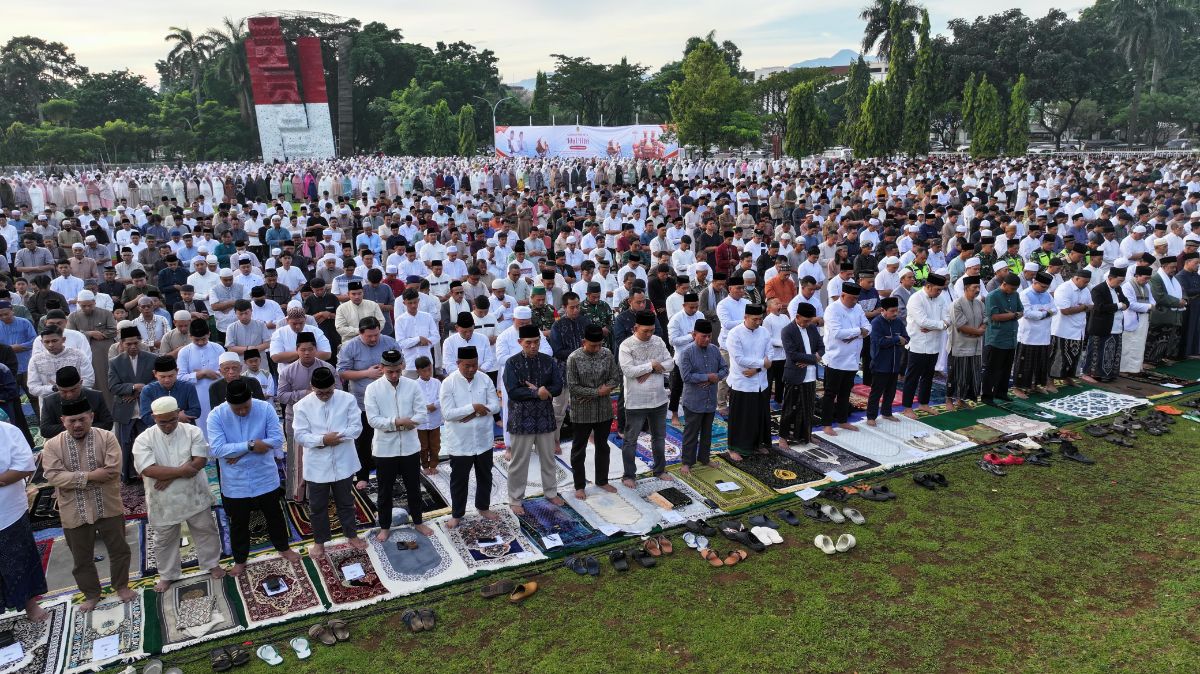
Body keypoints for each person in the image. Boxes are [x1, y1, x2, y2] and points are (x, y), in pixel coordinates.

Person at [40, 397, 135, 611]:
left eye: (82, 419)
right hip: (73, 510)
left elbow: (112, 471)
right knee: (81, 558)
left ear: (91, 417)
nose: (77, 425)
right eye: (71, 421)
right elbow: (54, 477)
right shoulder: (52, 445)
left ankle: (121, 586)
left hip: (108, 505)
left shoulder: (107, 437)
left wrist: (73, 479)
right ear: (63, 420)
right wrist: (92, 476)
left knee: (119, 550)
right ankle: (92, 594)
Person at [132, 396, 224, 592]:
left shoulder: (193, 431)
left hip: (194, 495)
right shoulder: (144, 439)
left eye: (172, 420)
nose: (167, 425)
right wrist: (182, 471)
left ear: (178, 413)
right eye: (162, 421)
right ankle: (168, 574)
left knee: (205, 531)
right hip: (163, 501)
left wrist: (168, 476)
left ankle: (211, 564)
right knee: (164, 539)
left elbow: (199, 460)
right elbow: (148, 470)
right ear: (154, 417)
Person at [207, 380, 296, 576]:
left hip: (264, 475)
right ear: (228, 403)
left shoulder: (264, 408)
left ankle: (284, 548)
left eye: (245, 407)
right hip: (235, 481)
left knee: (275, 515)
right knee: (238, 522)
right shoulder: (216, 415)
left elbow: (276, 440)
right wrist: (251, 445)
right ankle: (240, 560)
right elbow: (217, 449)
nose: (242, 412)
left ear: (251, 400)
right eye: (236, 409)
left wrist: (237, 452)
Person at [293, 366, 367, 557]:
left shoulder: (347, 399)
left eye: (328, 392)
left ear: (335, 385)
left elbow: (356, 429)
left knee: (346, 502)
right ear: (312, 387)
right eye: (320, 393)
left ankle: (351, 535)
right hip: (317, 465)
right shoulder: (301, 406)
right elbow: (300, 436)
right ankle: (320, 542)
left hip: (343, 461)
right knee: (317, 506)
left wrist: (336, 438)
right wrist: (323, 440)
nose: (325, 396)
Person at [363, 349, 431, 537]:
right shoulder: (373, 389)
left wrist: (403, 423)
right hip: (385, 449)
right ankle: (385, 527)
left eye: (397, 371)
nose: (394, 375)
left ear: (402, 366)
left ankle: (418, 521)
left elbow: (421, 415)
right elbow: (373, 420)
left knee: (414, 487)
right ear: (382, 367)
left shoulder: (412, 386)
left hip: (410, 446)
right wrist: (397, 422)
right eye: (389, 371)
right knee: (385, 490)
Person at [503, 324, 566, 514]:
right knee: (519, 462)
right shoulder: (512, 363)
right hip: (521, 419)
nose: (533, 346)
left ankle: (551, 492)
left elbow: (558, 385)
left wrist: (545, 391)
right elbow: (513, 391)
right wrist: (538, 391)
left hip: (545, 418)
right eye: (528, 343)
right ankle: (515, 499)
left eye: (536, 342)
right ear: (519, 342)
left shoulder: (548, 361)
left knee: (548, 458)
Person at [439, 345, 502, 528]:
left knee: (485, 475)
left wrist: (477, 412)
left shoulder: (484, 379)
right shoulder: (448, 383)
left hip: (483, 440)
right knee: (459, 479)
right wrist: (474, 408)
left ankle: (483, 507)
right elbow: (448, 414)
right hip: (460, 442)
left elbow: (496, 406)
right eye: (467, 365)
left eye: (474, 365)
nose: (472, 369)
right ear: (458, 363)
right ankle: (457, 513)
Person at [336, 316, 399, 488]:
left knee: (388, 436)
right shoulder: (351, 346)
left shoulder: (389, 342)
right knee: (363, 440)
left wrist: (387, 371)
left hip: (388, 400)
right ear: (360, 333)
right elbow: (341, 372)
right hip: (361, 401)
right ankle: (362, 475)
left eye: (376, 335)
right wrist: (366, 373)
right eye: (369, 336)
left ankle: (390, 472)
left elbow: (401, 364)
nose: (373, 339)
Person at [277, 332, 340, 502]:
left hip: (323, 419)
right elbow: (282, 396)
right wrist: (305, 394)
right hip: (296, 419)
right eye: (303, 350)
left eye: (310, 349)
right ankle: (296, 494)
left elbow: (339, 392)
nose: (306, 353)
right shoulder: (287, 371)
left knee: (324, 455)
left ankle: (326, 492)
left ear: (316, 349)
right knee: (296, 459)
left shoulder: (328, 368)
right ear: (297, 350)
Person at [564, 324, 620, 498]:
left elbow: (615, 377)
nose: (596, 349)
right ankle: (579, 485)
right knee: (579, 448)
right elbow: (573, 387)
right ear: (583, 342)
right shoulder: (574, 358)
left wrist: (598, 391)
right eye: (592, 345)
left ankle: (602, 480)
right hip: (582, 412)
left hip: (603, 410)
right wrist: (597, 392)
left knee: (603, 446)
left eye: (599, 345)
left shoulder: (607, 354)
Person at [618, 311, 674, 483]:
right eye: (645, 331)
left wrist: (647, 369)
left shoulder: (658, 341)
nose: (649, 334)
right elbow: (628, 371)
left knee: (659, 437)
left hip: (659, 398)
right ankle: (629, 475)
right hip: (636, 400)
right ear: (635, 328)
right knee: (630, 440)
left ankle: (659, 470)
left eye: (652, 330)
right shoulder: (626, 346)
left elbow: (670, 364)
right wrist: (652, 365)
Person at [0, 419, 48, 622]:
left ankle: (30, 604)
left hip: (8, 512)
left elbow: (25, 467)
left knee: (19, 559)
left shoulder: (7, 431)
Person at [676, 318, 727, 471]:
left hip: (710, 400)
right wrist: (707, 377)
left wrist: (714, 378)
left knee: (707, 432)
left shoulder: (714, 350)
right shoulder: (686, 353)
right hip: (693, 400)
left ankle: (704, 458)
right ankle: (687, 462)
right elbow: (686, 376)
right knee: (691, 433)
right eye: (703, 336)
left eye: (709, 336)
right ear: (694, 335)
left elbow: (725, 369)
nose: (707, 339)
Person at [725, 303, 772, 459]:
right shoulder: (734, 334)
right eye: (755, 319)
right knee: (741, 416)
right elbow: (740, 359)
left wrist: (759, 368)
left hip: (760, 381)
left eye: (760, 319)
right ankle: (734, 448)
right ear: (745, 318)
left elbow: (770, 355)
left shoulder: (764, 332)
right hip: (742, 382)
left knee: (759, 415)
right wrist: (761, 364)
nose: (758, 322)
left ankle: (756, 445)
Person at [821, 283, 870, 435]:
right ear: (842, 295)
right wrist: (857, 332)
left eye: (857, 298)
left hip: (853, 358)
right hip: (836, 358)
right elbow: (837, 333)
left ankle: (842, 421)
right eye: (852, 298)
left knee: (846, 392)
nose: (855, 301)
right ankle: (827, 424)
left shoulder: (858, 308)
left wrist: (856, 333)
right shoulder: (832, 309)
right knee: (830, 393)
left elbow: (868, 327)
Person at [109, 324, 156, 478]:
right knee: (126, 443)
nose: (133, 347)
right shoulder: (115, 362)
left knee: (148, 443)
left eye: (136, 343)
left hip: (146, 408)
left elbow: (157, 384)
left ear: (140, 341)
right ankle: (128, 474)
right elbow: (113, 386)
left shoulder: (152, 359)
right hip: (126, 408)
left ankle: (150, 472)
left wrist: (137, 394)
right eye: (128, 344)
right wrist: (134, 387)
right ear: (121, 343)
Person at [902, 273, 949, 416]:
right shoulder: (915, 299)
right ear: (928, 286)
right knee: (913, 377)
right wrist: (941, 325)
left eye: (941, 290)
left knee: (928, 376)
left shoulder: (940, 298)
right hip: (918, 344)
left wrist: (937, 325)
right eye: (937, 289)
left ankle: (923, 403)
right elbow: (922, 321)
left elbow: (948, 319)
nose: (940, 292)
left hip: (934, 344)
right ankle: (907, 407)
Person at [38, 365, 113, 443]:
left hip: (95, 441)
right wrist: (73, 427)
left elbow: (107, 423)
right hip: (62, 445)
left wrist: (81, 427)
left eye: (73, 390)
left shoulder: (95, 396)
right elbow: (45, 430)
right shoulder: (49, 401)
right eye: (64, 391)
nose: (69, 395)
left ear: (81, 383)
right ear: (57, 387)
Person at [177, 318, 224, 438]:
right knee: (200, 427)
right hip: (196, 395)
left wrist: (212, 373)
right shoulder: (184, 352)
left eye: (204, 339)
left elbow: (225, 371)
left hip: (217, 393)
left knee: (219, 424)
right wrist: (202, 374)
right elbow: (180, 378)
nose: (201, 342)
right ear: (190, 336)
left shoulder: (217, 348)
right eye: (197, 340)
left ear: (209, 333)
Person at [1012, 272, 1057, 397]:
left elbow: (1055, 309)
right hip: (1029, 335)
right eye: (1042, 287)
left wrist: (1042, 313)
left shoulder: (1047, 295)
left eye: (1047, 287)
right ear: (1034, 282)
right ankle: (1018, 388)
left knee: (1040, 363)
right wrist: (1044, 313)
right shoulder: (1024, 295)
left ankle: (1034, 385)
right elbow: (1028, 314)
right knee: (1024, 363)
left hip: (1044, 334)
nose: (1045, 289)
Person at [1083, 267, 1129, 384]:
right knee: (1097, 351)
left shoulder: (1118, 289)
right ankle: (1092, 373)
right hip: (1102, 326)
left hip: (1116, 326)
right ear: (1110, 278)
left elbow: (1126, 302)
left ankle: (1109, 374)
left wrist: (1122, 305)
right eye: (1119, 281)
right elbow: (1099, 307)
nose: (1120, 283)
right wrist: (1118, 306)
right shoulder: (1098, 290)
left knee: (1112, 351)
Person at [983, 274, 1024, 404]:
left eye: (1015, 289)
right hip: (996, 338)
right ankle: (987, 396)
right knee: (992, 369)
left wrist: (1012, 315)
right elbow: (994, 316)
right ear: (1004, 284)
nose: (1013, 291)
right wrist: (1012, 315)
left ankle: (1001, 393)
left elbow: (1021, 311)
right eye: (1011, 288)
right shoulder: (993, 296)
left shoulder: (1015, 295)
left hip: (1011, 338)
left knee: (1006, 369)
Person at [866, 296, 907, 424]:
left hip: (895, 363)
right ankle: (871, 417)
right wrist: (896, 340)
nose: (895, 313)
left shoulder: (898, 322)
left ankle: (886, 413)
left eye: (897, 311)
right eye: (892, 311)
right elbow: (879, 342)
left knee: (891, 390)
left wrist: (902, 339)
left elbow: (906, 337)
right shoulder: (876, 323)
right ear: (883, 310)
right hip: (880, 363)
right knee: (876, 392)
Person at [946, 278, 985, 408]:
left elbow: (986, 320)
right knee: (956, 375)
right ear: (966, 288)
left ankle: (961, 400)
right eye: (974, 287)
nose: (977, 290)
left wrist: (979, 331)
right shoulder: (956, 304)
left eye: (978, 287)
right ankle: (949, 400)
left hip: (975, 346)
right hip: (959, 346)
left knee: (969, 375)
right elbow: (960, 325)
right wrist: (978, 332)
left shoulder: (980, 304)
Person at [28, 325, 94, 400]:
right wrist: (54, 388)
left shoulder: (78, 355)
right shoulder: (36, 360)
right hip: (49, 404)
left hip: (79, 400)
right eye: (47, 342)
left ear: (63, 339)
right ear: (41, 342)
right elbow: (33, 388)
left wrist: (69, 390)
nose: (51, 345)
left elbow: (89, 381)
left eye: (54, 341)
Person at [139, 355, 201, 428]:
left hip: (185, 429)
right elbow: (146, 417)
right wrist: (175, 417)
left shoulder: (188, 387)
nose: (167, 380)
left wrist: (163, 418)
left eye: (171, 376)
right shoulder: (148, 390)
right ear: (155, 373)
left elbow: (196, 411)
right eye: (162, 377)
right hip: (159, 431)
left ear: (177, 371)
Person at [1148, 256, 1186, 365]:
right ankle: (1151, 361)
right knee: (1156, 339)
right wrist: (1178, 302)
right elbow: (1159, 296)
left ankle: (1160, 359)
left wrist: (1184, 300)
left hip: (1173, 314)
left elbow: (1182, 292)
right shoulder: (1156, 278)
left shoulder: (1174, 279)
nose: (1174, 269)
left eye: (1175, 267)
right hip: (1161, 315)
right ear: (1164, 267)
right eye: (1172, 267)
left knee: (1167, 339)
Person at [1120, 265, 1156, 374]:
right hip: (1131, 318)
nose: (1147, 280)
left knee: (1139, 343)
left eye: (1149, 278)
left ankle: (1136, 367)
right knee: (1128, 344)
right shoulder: (1127, 286)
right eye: (1145, 278)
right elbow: (1130, 304)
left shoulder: (1147, 286)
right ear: (1137, 276)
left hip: (1144, 319)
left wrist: (1152, 305)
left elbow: (1152, 300)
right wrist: (1149, 307)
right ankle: (1124, 368)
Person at [413, 356, 443, 475]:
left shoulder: (436, 382)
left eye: (429, 370)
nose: (427, 373)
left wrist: (434, 405)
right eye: (424, 371)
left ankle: (433, 464)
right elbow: (413, 401)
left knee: (435, 445)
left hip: (435, 420)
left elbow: (442, 398)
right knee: (423, 446)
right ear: (418, 371)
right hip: (421, 422)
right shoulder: (414, 385)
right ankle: (425, 465)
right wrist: (424, 408)